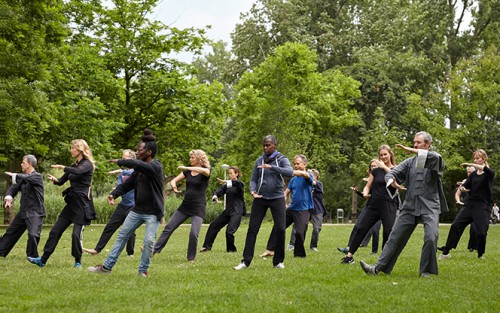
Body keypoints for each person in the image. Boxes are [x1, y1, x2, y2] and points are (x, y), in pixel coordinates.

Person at [360, 131, 448, 277]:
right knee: (395, 236)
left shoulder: (435, 160)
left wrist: (412, 150)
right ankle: (377, 269)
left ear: (428, 144)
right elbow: (392, 172)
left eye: (418, 142)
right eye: (414, 142)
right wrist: (391, 181)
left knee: (431, 237)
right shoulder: (409, 162)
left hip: (430, 206)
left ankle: (426, 271)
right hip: (410, 206)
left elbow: (435, 157)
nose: (414, 144)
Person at [87, 129, 164, 277]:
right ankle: (106, 268)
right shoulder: (139, 169)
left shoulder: (155, 167)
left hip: (153, 213)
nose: (137, 152)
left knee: (148, 242)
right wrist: (114, 194)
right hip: (137, 210)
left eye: (139, 150)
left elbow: (139, 165)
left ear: (148, 152)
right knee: (122, 236)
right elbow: (128, 184)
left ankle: (143, 270)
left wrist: (121, 161)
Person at [28, 139, 96, 269]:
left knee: (76, 235)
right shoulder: (74, 165)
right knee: (55, 231)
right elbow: (61, 181)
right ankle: (42, 260)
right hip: (71, 204)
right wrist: (55, 180)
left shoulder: (87, 164)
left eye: (73, 148)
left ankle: (78, 261)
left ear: (80, 149)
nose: (71, 150)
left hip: (82, 205)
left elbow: (78, 172)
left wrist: (62, 167)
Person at [234, 135, 293, 270]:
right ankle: (245, 261)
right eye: (264, 145)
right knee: (252, 229)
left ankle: (278, 262)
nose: (265, 147)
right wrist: (253, 191)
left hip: (277, 198)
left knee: (280, 229)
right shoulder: (259, 160)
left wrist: (271, 167)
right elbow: (254, 179)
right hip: (260, 198)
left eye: (268, 145)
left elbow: (290, 172)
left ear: (275, 146)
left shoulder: (282, 159)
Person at [341, 145, 399, 264]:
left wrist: (384, 167)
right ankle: (349, 256)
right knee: (361, 228)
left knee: (388, 232)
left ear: (390, 155)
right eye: (381, 155)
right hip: (374, 205)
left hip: (389, 205)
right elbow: (368, 185)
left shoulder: (397, 169)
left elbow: (397, 181)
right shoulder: (376, 171)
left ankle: (383, 260)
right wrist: (366, 193)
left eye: (385, 155)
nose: (383, 157)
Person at [153, 149, 211, 262]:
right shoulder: (187, 172)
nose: (190, 159)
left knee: (194, 234)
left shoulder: (206, 171)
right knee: (168, 228)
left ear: (199, 159)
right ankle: (154, 251)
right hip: (185, 206)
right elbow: (173, 181)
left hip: (198, 207)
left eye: (192, 157)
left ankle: (191, 258)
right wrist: (174, 186)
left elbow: (205, 171)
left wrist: (187, 168)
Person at [439, 149, 495, 260]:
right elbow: (467, 186)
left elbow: (486, 169)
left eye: (478, 158)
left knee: (481, 231)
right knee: (455, 226)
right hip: (470, 205)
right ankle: (446, 252)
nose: (475, 160)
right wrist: (463, 188)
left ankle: (480, 254)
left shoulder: (489, 173)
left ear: (483, 159)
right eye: (474, 158)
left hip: (482, 206)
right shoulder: (473, 174)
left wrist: (470, 164)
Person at [83, 149, 137, 257]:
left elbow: (131, 174)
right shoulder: (122, 175)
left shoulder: (137, 172)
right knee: (109, 227)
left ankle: (130, 253)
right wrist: (113, 195)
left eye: (124, 158)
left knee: (129, 229)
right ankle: (97, 250)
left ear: (132, 160)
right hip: (123, 205)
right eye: (122, 158)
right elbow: (120, 187)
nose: (122, 160)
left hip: (134, 206)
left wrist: (120, 171)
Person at [261, 154, 313, 259]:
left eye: (298, 164)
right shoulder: (293, 180)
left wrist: (295, 172)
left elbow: (305, 175)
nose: (296, 166)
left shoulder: (308, 176)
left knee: (299, 232)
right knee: (278, 226)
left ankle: (299, 255)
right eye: (294, 164)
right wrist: (283, 202)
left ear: (305, 164)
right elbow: (286, 192)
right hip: (292, 209)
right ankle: (271, 250)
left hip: (304, 209)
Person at [1, 155, 45, 258]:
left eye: (23, 162)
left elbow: (26, 177)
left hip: (35, 212)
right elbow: (13, 188)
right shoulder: (23, 178)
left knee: (33, 235)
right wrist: (8, 197)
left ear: (30, 164)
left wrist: (13, 174)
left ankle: (32, 256)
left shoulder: (37, 176)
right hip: (24, 211)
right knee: (10, 233)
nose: (21, 164)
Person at [200, 166, 245, 253]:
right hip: (228, 211)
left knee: (229, 232)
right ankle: (206, 247)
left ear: (236, 174)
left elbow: (236, 184)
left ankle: (231, 250)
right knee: (213, 226)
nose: (229, 175)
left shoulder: (240, 184)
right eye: (229, 173)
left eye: (231, 173)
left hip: (237, 211)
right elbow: (219, 191)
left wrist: (226, 181)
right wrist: (215, 196)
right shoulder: (227, 186)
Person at [288, 169, 326, 252]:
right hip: (305, 208)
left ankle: (313, 246)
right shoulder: (303, 183)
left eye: (310, 174)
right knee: (297, 226)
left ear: (315, 176)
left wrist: (306, 175)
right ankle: (292, 244)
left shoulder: (319, 184)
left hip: (317, 210)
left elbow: (313, 183)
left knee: (316, 228)